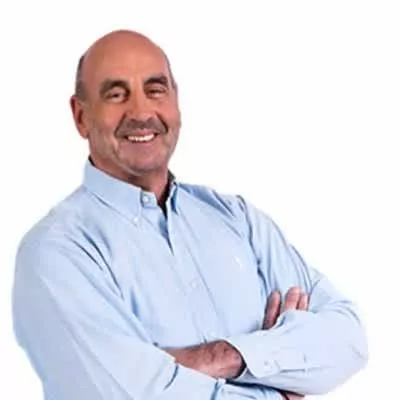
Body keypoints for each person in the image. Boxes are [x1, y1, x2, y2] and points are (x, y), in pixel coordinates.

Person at [11, 29, 368, 400]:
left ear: (176, 102)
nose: (141, 112)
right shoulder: (55, 252)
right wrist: (279, 381)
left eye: (155, 90)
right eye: (116, 94)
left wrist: (225, 357)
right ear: (81, 116)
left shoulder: (238, 219)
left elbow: (349, 340)